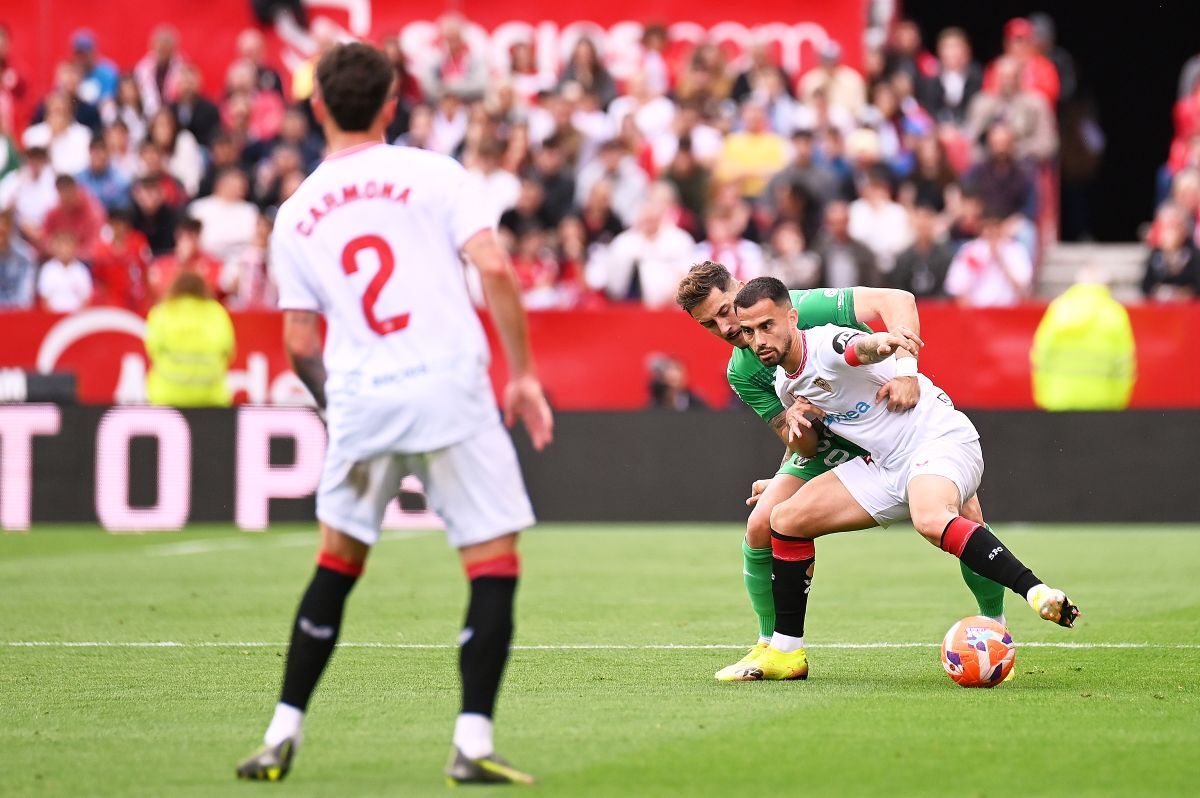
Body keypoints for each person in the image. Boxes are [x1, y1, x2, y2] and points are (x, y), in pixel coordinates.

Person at [235, 42, 553, 785]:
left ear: (316, 107)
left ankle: (281, 733)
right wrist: (525, 376)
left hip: (363, 400)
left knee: (337, 564)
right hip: (450, 388)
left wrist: (338, 405)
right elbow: (496, 268)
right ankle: (471, 743)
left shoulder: (296, 212)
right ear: (390, 105)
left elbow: (297, 341)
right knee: (491, 563)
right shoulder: (435, 174)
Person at [730, 276, 1078, 680]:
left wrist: (887, 348)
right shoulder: (783, 382)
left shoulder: (825, 344)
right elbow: (808, 449)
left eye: (767, 326)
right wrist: (798, 421)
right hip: (888, 464)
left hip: (938, 439)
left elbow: (859, 348)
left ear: (791, 318)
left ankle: (1036, 592)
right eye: (750, 332)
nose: (759, 340)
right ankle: (786, 653)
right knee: (784, 520)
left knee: (930, 518)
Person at [674, 262, 1007, 679]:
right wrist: (797, 423)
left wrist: (907, 373)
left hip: (895, 425)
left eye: (724, 311)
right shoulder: (741, 373)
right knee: (762, 523)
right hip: (831, 444)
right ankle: (772, 647)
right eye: (709, 324)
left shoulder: (803, 307)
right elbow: (800, 442)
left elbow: (897, 300)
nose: (724, 328)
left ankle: (996, 628)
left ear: (739, 288)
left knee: (966, 516)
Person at [144, 271, 235, 406]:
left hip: (167, 395)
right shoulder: (217, 313)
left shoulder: (162, 312)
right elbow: (229, 352)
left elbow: (153, 349)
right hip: (211, 397)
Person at [601, 181, 695, 306]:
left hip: (671, 311)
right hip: (628, 311)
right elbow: (612, 282)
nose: (649, 218)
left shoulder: (680, 240)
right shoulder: (623, 242)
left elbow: (692, 277)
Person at [944, 208, 1033, 307]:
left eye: (996, 226)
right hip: (977, 312)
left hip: (1008, 312)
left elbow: (1024, 289)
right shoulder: (970, 250)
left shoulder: (1015, 250)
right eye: (988, 227)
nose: (992, 231)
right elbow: (957, 288)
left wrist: (1001, 260)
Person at [187, 168, 258, 261]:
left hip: (241, 261)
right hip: (206, 259)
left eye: (242, 187)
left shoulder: (250, 210)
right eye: (234, 185)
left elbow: (253, 239)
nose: (240, 190)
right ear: (221, 184)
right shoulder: (199, 207)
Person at [889, 202, 953, 298]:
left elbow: (948, 287)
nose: (924, 223)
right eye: (920, 219)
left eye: (928, 218)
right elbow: (898, 287)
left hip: (938, 308)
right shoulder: (903, 257)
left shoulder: (945, 256)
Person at [1142, 203, 1200, 300]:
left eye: (1174, 226)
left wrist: (1182, 293)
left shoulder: (1194, 255)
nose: (1170, 232)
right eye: (1165, 226)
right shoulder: (1155, 255)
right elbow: (1145, 287)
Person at [37, 231, 92, 312]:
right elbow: (43, 298)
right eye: (61, 245)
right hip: (51, 316)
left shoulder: (81, 270)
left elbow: (86, 298)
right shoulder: (48, 269)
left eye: (68, 245)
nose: (64, 249)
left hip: (76, 317)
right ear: (54, 247)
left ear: (75, 247)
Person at [76, 135, 130, 213]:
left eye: (102, 150)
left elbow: (122, 211)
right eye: (94, 150)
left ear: (109, 153)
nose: (98, 155)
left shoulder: (120, 181)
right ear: (89, 152)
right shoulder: (78, 180)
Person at [0, 209, 36, 308]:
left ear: (10, 229)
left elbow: (25, 297)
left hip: (17, 314)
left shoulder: (25, 256)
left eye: (2, 232)